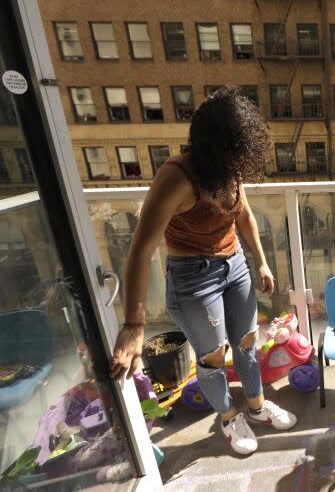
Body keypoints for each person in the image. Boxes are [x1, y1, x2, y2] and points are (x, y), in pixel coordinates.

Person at [109, 87, 296, 455]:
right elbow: (141, 250)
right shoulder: (176, 178)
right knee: (212, 356)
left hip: (235, 263)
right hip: (193, 277)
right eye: (235, 150)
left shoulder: (230, 171)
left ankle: (256, 409)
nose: (241, 160)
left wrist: (260, 260)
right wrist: (134, 325)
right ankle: (228, 419)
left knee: (246, 342)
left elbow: (243, 215)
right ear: (216, 146)